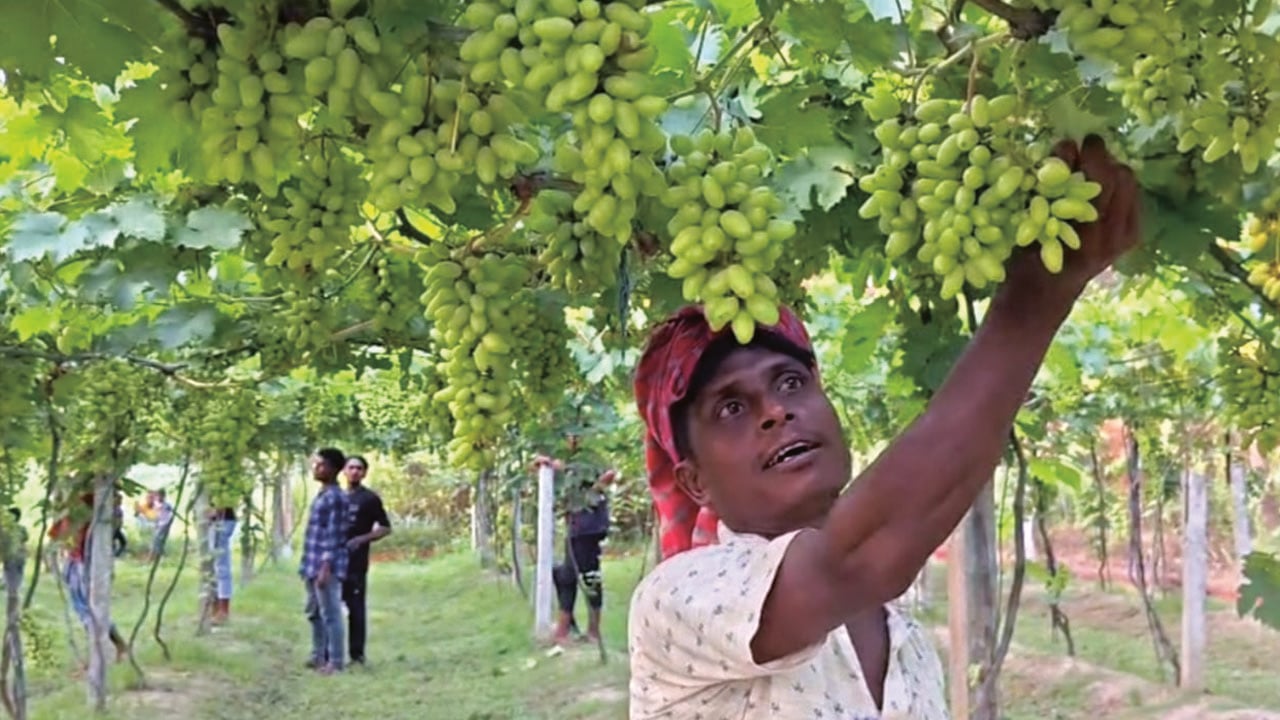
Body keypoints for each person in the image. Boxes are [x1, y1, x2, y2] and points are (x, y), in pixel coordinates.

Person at [626, 136, 1140, 718]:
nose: (775, 410)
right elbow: (857, 556)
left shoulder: (906, 638)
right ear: (695, 483)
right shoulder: (679, 600)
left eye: (791, 383)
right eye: (731, 408)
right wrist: (1036, 297)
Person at [535, 431, 618, 646]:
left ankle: (576, 631)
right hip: (577, 525)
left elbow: (610, 473)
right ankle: (574, 629)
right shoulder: (566, 459)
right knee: (569, 574)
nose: (571, 439)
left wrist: (591, 492)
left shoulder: (589, 458)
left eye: (575, 436)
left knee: (581, 576)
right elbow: (541, 467)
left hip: (589, 525)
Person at [49, 491, 128, 664]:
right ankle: (105, 648)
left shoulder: (84, 502)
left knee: (91, 609)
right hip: (74, 560)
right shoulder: (66, 513)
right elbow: (56, 538)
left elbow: (113, 501)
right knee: (83, 608)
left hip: (87, 562)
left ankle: (104, 650)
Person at [300, 448, 350, 675]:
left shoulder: (336, 498)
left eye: (320, 465)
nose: (316, 468)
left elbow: (335, 535)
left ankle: (336, 661)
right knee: (314, 612)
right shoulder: (323, 494)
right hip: (312, 562)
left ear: (332, 469)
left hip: (324, 565)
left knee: (330, 613)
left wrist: (325, 567)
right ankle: (318, 655)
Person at [341, 455, 392, 667]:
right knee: (329, 608)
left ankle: (357, 655)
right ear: (344, 470)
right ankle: (328, 654)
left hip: (357, 562)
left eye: (359, 468)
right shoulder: (337, 497)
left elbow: (385, 527)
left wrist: (362, 539)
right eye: (351, 467)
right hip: (334, 560)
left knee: (356, 608)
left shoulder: (369, 499)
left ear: (364, 472)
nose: (354, 472)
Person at [208, 502, 237, 625]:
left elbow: (223, 502)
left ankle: (222, 611)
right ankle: (214, 609)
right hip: (216, 521)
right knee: (213, 568)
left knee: (221, 567)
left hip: (221, 521)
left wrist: (214, 512)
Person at [149, 489, 174, 562]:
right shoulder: (156, 504)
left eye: (160, 496)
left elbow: (171, 515)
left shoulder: (167, 505)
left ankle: (160, 557)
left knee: (159, 540)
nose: (159, 497)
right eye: (158, 496)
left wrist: (168, 524)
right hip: (158, 524)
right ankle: (157, 557)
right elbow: (155, 515)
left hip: (164, 525)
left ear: (164, 496)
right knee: (156, 541)